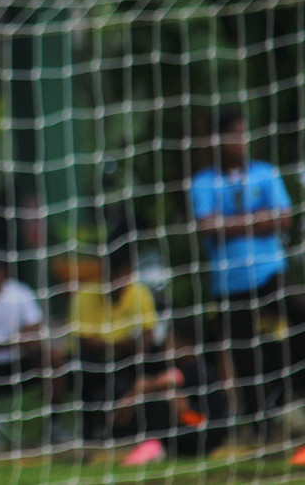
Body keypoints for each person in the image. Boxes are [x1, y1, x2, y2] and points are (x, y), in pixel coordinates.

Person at [190, 107, 305, 432]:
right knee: (242, 351)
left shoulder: (265, 173)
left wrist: (230, 224)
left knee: (298, 312)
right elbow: (207, 227)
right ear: (219, 140)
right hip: (230, 280)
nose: (240, 141)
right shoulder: (203, 182)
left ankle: (291, 388)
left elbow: (283, 220)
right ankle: (259, 421)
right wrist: (258, 221)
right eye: (233, 134)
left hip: (270, 271)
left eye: (243, 133)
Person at [0, 256, 68, 447]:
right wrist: (14, 340)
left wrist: (7, 343)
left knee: (54, 358)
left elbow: (34, 330)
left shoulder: (19, 292)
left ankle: (54, 425)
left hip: (20, 361)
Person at [68, 239, 159, 441]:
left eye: (124, 275)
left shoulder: (140, 293)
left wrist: (131, 346)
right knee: (83, 366)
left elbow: (147, 337)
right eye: (115, 274)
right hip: (95, 360)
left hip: (127, 359)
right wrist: (122, 344)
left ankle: (146, 429)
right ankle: (88, 431)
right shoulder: (85, 295)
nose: (119, 280)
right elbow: (85, 342)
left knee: (151, 362)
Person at [113, 317, 230, 465]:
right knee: (168, 396)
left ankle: (152, 445)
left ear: (183, 344)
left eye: (170, 341)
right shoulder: (204, 368)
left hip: (202, 427)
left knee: (167, 397)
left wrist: (138, 390)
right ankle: (153, 445)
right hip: (205, 434)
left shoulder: (194, 368)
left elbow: (167, 381)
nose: (165, 347)